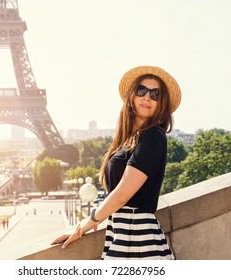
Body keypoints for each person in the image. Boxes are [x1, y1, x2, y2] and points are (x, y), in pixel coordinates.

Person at [51, 65, 181, 260]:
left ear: (161, 104)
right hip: (124, 235)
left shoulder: (153, 136)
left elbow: (121, 194)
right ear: (132, 95)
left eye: (155, 94)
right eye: (142, 90)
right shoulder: (131, 139)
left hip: (137, 239)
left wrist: (87, 223)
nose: (147, 97)